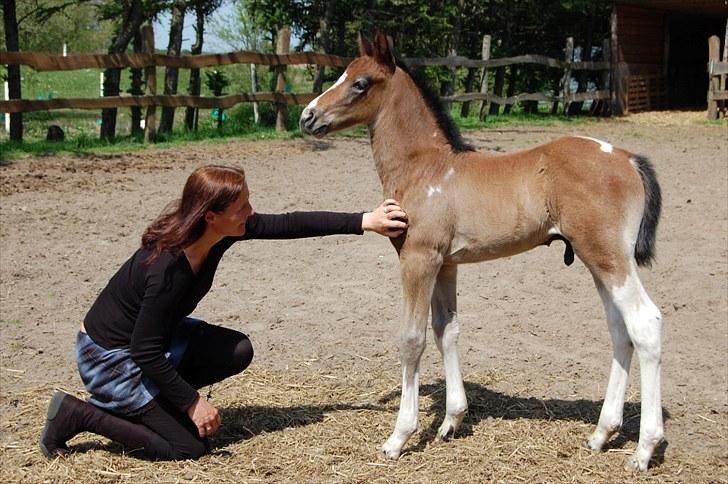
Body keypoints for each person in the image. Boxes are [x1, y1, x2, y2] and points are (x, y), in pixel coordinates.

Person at [40, 165, 407, 461]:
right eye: (243, 207)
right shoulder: (166, 270)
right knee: (188, 447)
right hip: (109, 358)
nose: (251, 212)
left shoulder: (219, 233)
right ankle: (80, 414)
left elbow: (289, 224)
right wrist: (192, 402)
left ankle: (155, 405)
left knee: (236, 350)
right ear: (212, 215)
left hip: (154, 339)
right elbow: (144, 351)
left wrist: (365, 221)